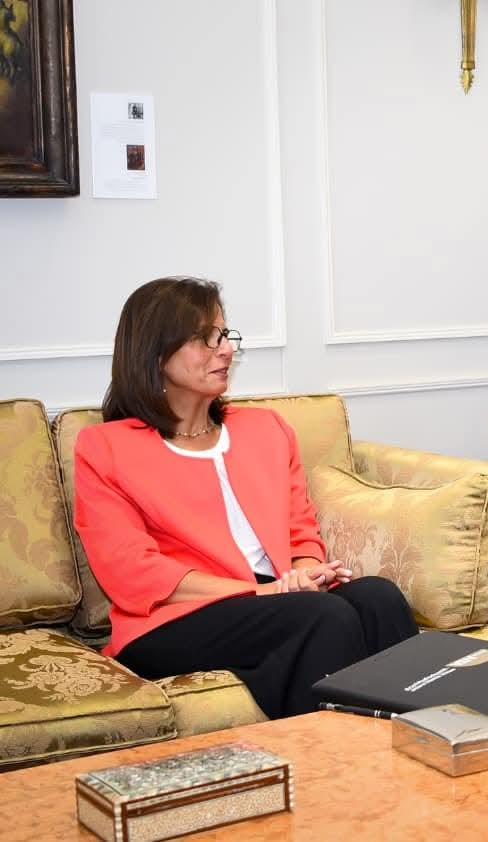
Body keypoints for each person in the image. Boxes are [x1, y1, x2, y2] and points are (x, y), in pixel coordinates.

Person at [74, 276, 418, 719]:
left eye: (224, 335)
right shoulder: (106, 447)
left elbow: (300, 529)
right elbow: (131, 571)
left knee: (377, 598)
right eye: (206, 338)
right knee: (323, 616)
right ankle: (327, 752)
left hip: (276, 601)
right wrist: (264, 592)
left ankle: (419, 739)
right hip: (174, 618)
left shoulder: (265, 429)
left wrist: (303, 573)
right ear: (156, 353)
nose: (225, 350)